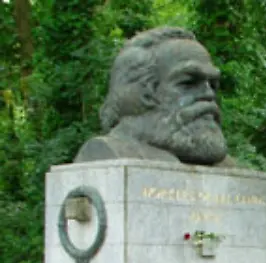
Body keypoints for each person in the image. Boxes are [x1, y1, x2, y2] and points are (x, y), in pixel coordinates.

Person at [74, 27, 235, 167]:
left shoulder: (227, 167)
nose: (208, 94)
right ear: (144, 93)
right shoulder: (106, 154)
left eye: (212, 84)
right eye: (189, 83)